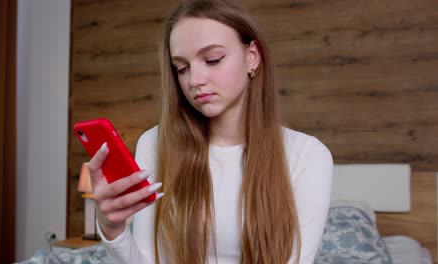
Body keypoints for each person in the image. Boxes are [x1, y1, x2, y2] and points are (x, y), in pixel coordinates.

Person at [88, 0, 333, 263]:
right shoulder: (155, 143)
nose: (194, 80)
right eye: (182, 68)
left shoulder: (307, 155)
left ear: (252, 57)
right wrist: (113, 229)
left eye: (213, 59)